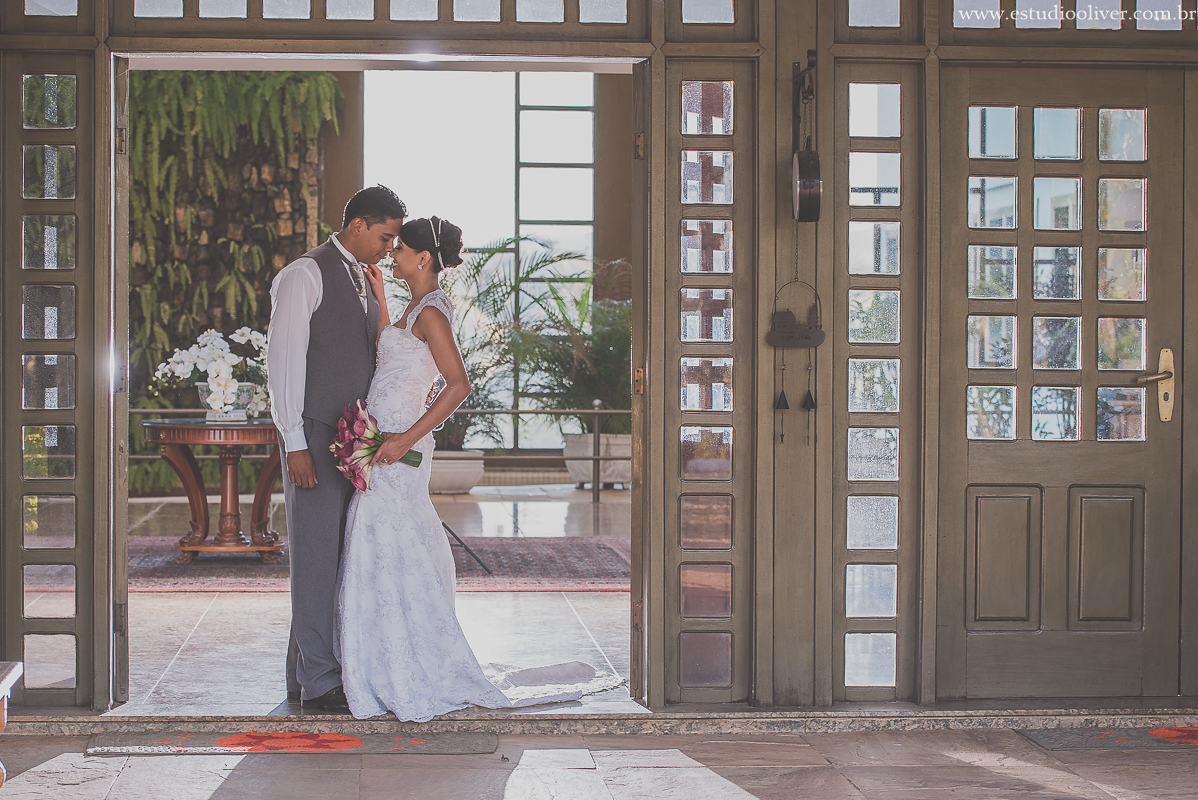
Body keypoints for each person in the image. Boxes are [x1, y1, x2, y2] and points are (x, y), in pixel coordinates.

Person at [336, 217, 621, 721]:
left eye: (398, 249)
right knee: (381, 542)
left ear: (423, 258)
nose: (391, 254)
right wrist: (380, 299)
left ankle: (408, 664)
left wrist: (404, 438)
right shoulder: (412, 310)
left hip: (399, 451)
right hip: (380, 447)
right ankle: (382, 663)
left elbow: (458, 384)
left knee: (389, 538)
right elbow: (393, 356)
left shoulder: (433, 314)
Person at [266, 185, 406, 714]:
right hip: (313, 437)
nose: (389, 249)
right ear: (357, 226)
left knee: (339, 557)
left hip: (350, 441)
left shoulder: (364, 280)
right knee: (316, 558)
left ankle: (304, 675)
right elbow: (285, 361)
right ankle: (321, 680)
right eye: (385, 237)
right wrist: (294, 441)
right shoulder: (304, 274)